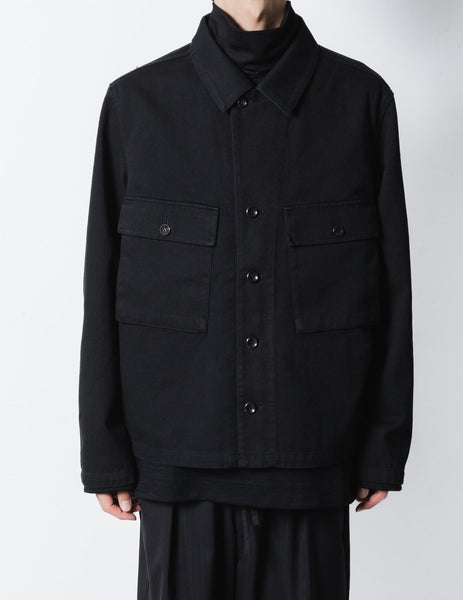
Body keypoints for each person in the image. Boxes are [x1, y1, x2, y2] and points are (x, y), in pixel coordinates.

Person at [78, 1, 414, 598]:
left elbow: (391, 287)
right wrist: (105, 451)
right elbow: (101, 284)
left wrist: (383, 444)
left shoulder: (360, 101)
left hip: (312, 460)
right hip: (178, 468)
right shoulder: (137, 104)